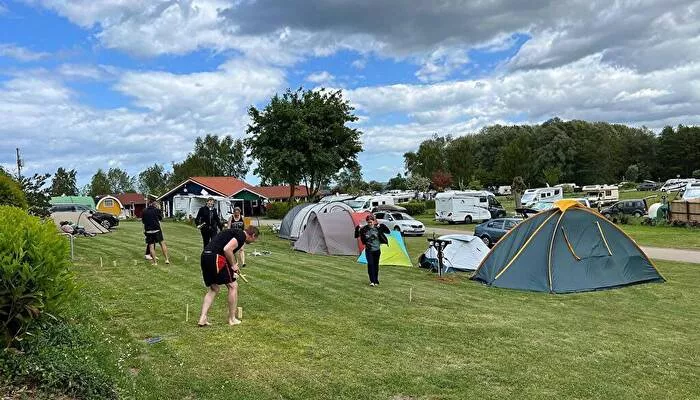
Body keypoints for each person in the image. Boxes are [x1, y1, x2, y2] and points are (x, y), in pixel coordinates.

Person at [198, 226, 259, 327]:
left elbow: (227, 249)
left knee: (214, 288)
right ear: (252, 235)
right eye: (254, 239)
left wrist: (233, 265)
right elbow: (227, 249)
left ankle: (202, 318)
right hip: (216, 257)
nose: (253, 242)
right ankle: (232, 319)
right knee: (233, 286)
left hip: (205, 256)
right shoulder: (241, 235)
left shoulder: (233, 233)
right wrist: (233, 265)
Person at [354, 214, 390, 286]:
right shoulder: (364, 229)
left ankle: (376, 280)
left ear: (373, 221)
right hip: (369, 249)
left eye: (371, 222)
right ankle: (372, 281)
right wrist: (358, 228)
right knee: (370, 264)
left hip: (377, 249)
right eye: (368, 222)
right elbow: (356, 235)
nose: (370, 224)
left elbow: (388, 231)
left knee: (376, 265)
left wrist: (382, 226)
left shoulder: (378, 228)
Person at [142, 199, 170, 265]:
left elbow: (143, 221)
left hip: (148, 230)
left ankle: (155, 262)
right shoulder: (157, 210)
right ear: (154, 203)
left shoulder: (144, 211)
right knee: (162, 243)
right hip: (157, 229)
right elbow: (160, 218)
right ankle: (166, 259)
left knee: (151, 246)